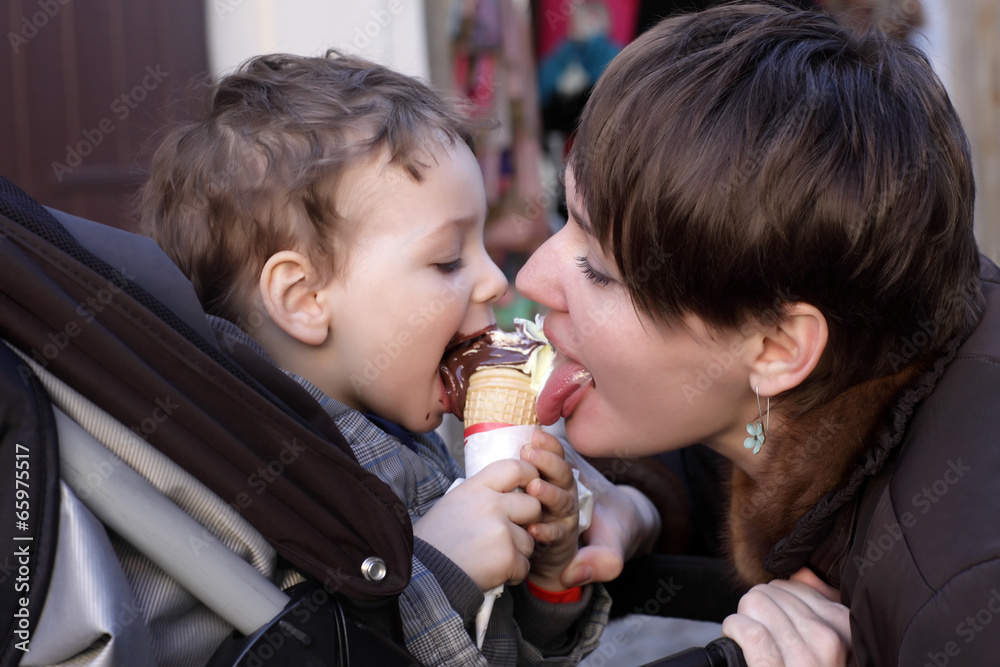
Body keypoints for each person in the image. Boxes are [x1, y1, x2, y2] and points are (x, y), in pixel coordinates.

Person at [136, 52, 660, 666]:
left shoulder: (404, 430)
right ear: (304, 299)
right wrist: (436, 572)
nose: (496, 282)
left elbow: (501, 645)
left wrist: (547, 574)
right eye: (447, 260)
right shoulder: (251, 486)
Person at [519, 3, 999, 666]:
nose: (532, 276)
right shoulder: (861, 315)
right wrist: (641, 505)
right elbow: (730, 416)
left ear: (778, 348)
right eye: (565, 218)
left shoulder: (964, 596)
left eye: (599, 270)